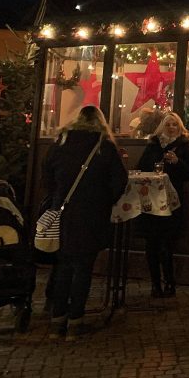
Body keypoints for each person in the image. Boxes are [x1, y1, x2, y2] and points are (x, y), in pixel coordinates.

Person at [43, 105, 127, 341]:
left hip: (63, 212)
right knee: (83, 267)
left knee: (63, 265)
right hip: (91, 213)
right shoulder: (103, 146)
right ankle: (74, 321)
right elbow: (119, 180)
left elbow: (46, 176)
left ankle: (57, 319)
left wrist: (56, 199)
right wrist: (105, 200)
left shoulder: (61, 142)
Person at [136, 111, 189, 298]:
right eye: (168, 124)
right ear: (161, 127)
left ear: (180, 128)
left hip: (172, 201)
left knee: (167, 243)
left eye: (174, 125)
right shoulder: (153, 146)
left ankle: (170, 282)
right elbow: (141, 167)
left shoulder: (185, 148)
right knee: (152, 243)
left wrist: (177, 163)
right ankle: (155, 283)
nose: (171, 128)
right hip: (151, 201)